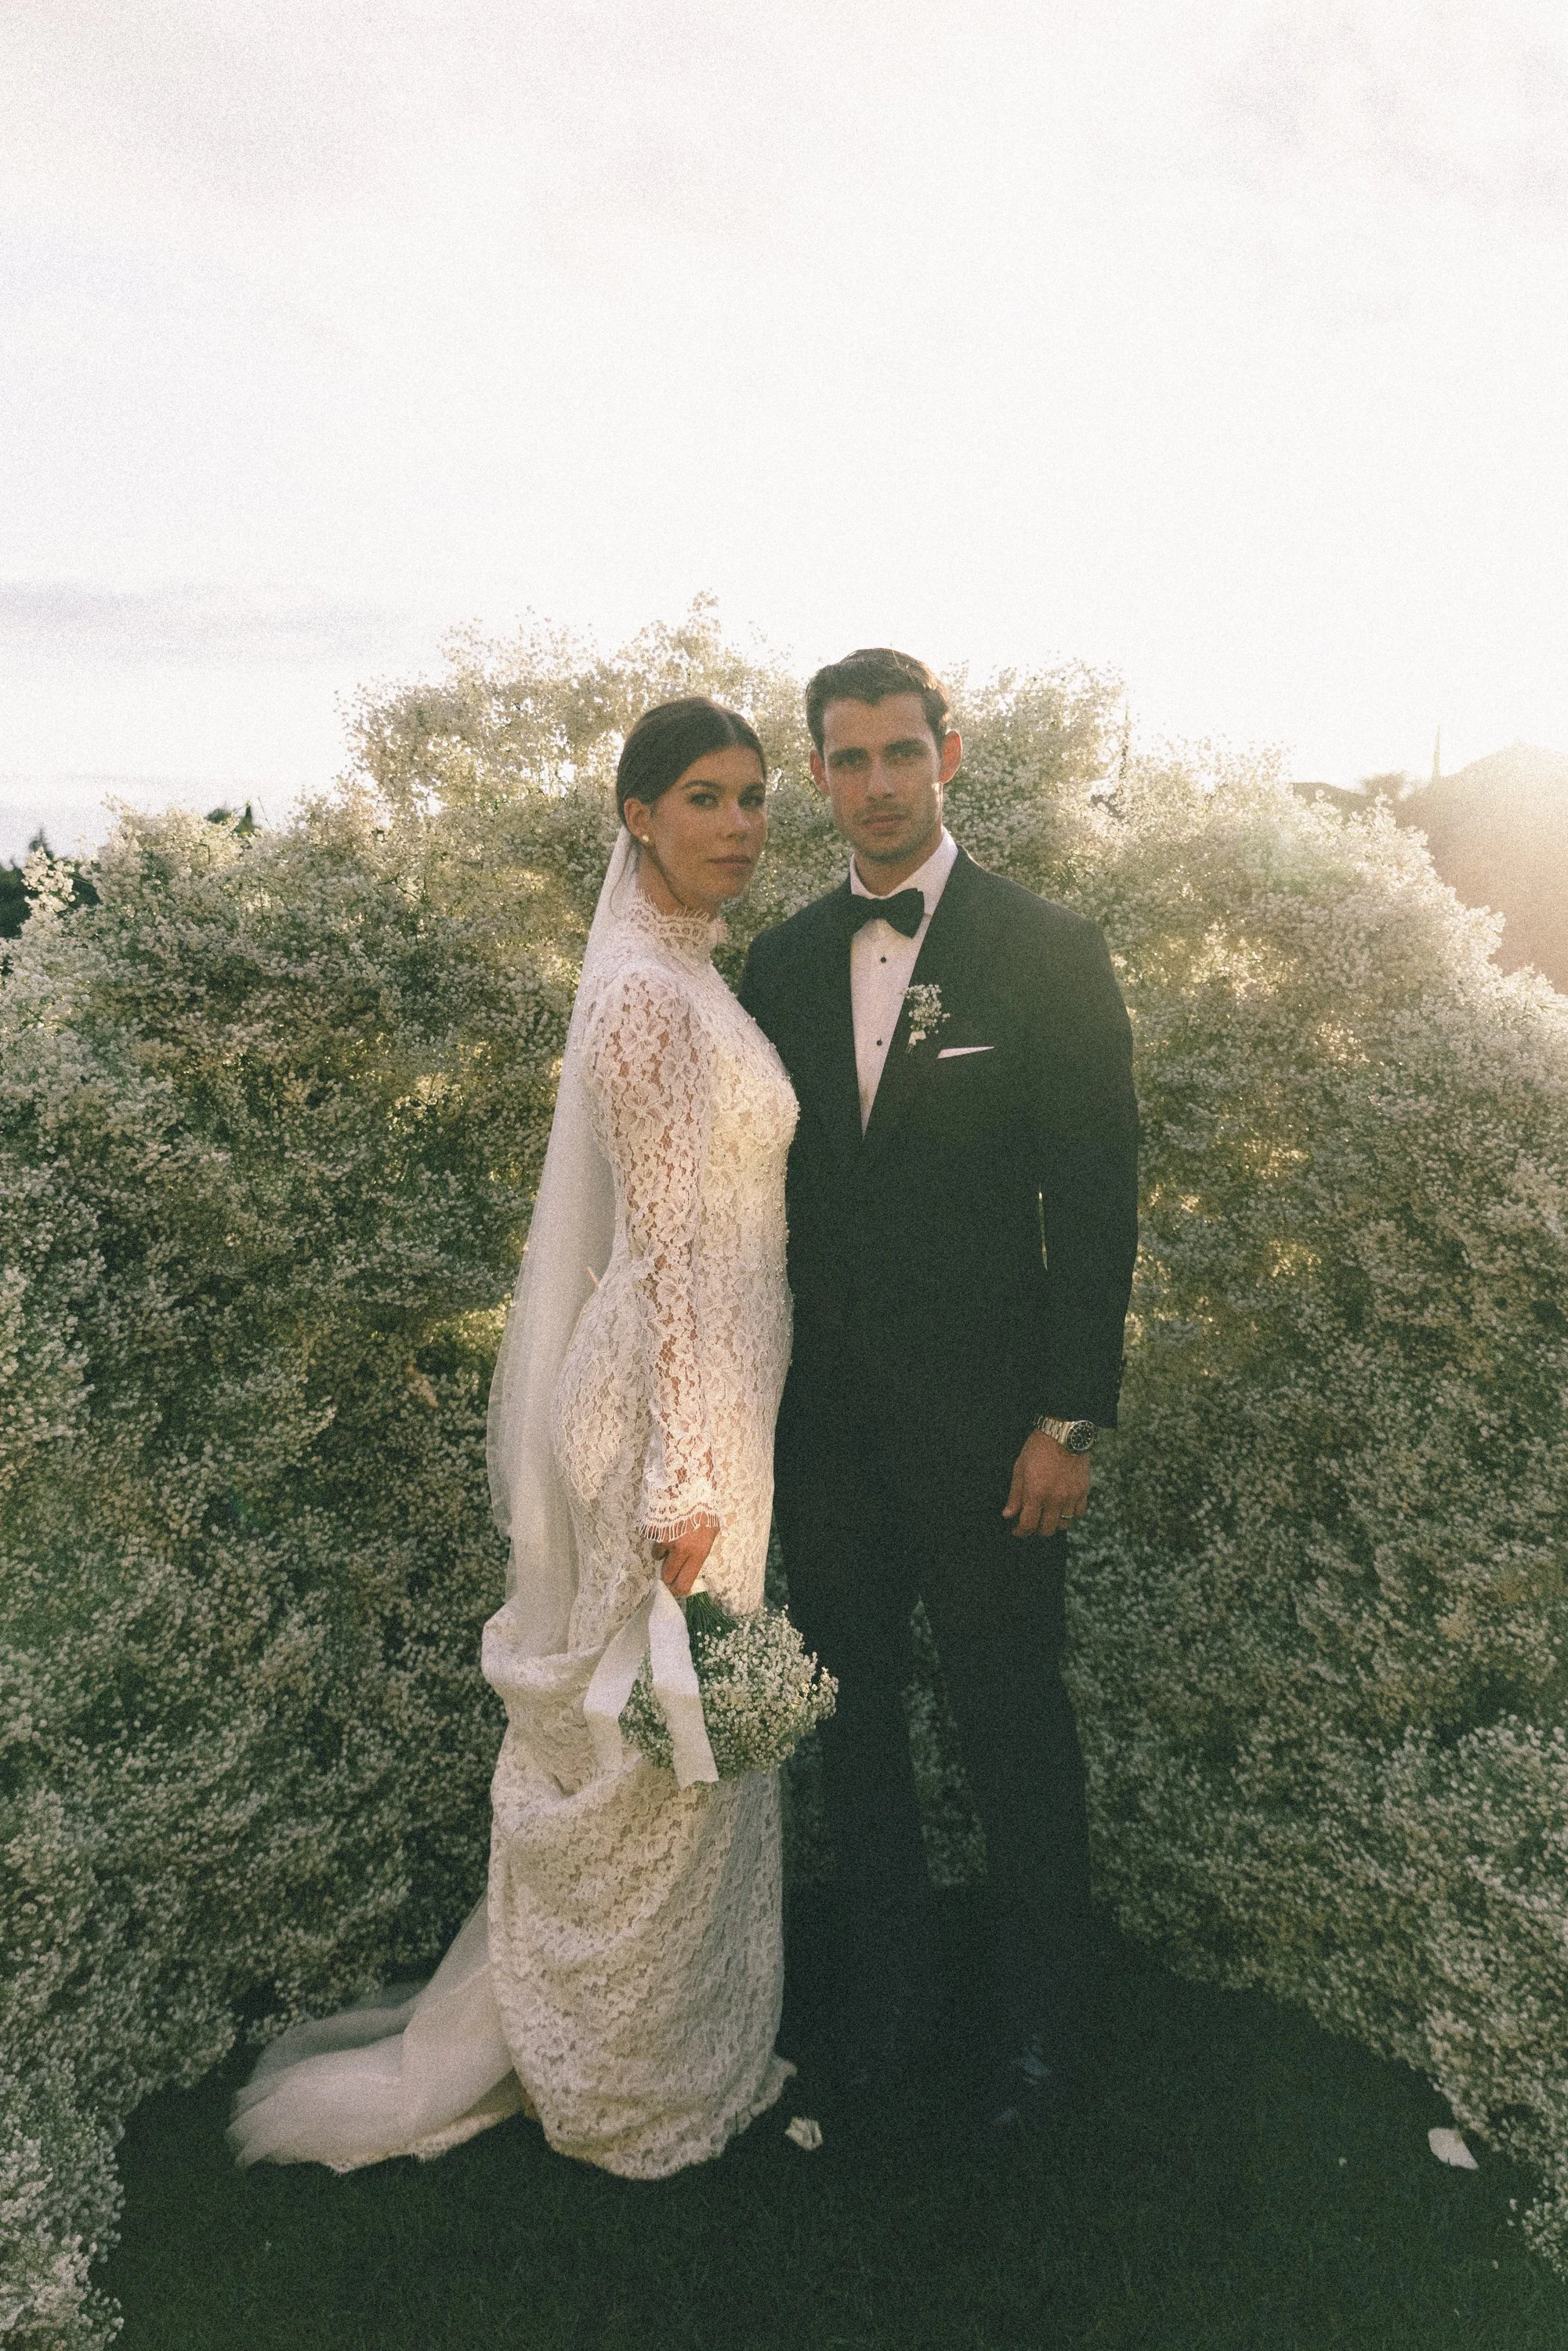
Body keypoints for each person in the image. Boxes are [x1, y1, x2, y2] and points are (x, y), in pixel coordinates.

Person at [230, 697, 800, 2179]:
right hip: (670, 1428)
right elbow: (670, 1250)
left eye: (750, 795)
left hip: (719, 1406)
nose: (737, 822)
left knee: (685, 1729)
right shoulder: (644, 999)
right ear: (637, 819)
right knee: (653, 1726)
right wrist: (689, 1476)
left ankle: (659, 2039)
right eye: (702, 797)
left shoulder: (688, 977)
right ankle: (618, 2078)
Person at [739, 647, 1139, 2131]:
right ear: (820, 777)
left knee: (1012, 1719)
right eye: (847, 762)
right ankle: (888, 2006)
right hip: (826, 1431)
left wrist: (1065, 1419)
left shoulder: (1047, 948)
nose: (877, 787)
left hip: (993, 1439)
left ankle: (1045, 2022)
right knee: (853, 1726)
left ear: (948, 754)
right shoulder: (777, 964)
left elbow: (1096, 1205)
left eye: (900, 754)